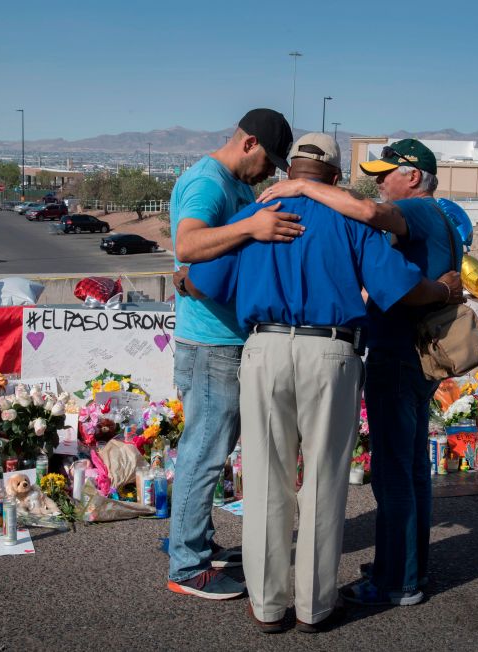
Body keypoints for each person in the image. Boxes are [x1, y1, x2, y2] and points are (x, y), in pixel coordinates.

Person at [187, 134, 463, 632]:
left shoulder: (256, 214)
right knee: (323, 481)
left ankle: (267, 607)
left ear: (287, 170)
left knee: (267, 480)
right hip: (330, 351)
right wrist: (444, 287)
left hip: (264, 347)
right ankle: (315, 607)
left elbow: (201, 279)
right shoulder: (348, 217)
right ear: (335, 178)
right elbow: (397, 287)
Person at [258, 138, 462, 607]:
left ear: (413, 176)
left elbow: (368, 213)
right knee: (411, 469)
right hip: (421, 355)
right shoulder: (443, 219)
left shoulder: (418, 211)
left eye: (386, 172)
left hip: (398, 352)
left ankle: (396, 583)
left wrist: (304, 190)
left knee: (393, 472)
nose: (377, 182)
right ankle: (406, 568)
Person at [166, 108, 300, 600]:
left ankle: (195, 543)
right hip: (209, 345)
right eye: (269, 160)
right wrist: (253, 228)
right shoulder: (209, 182)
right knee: (203, 452)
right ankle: (187, 567)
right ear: (248, 144)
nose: (270, 171)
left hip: (229, 341)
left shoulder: (239, 185)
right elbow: (188, 243)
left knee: (211, 451)